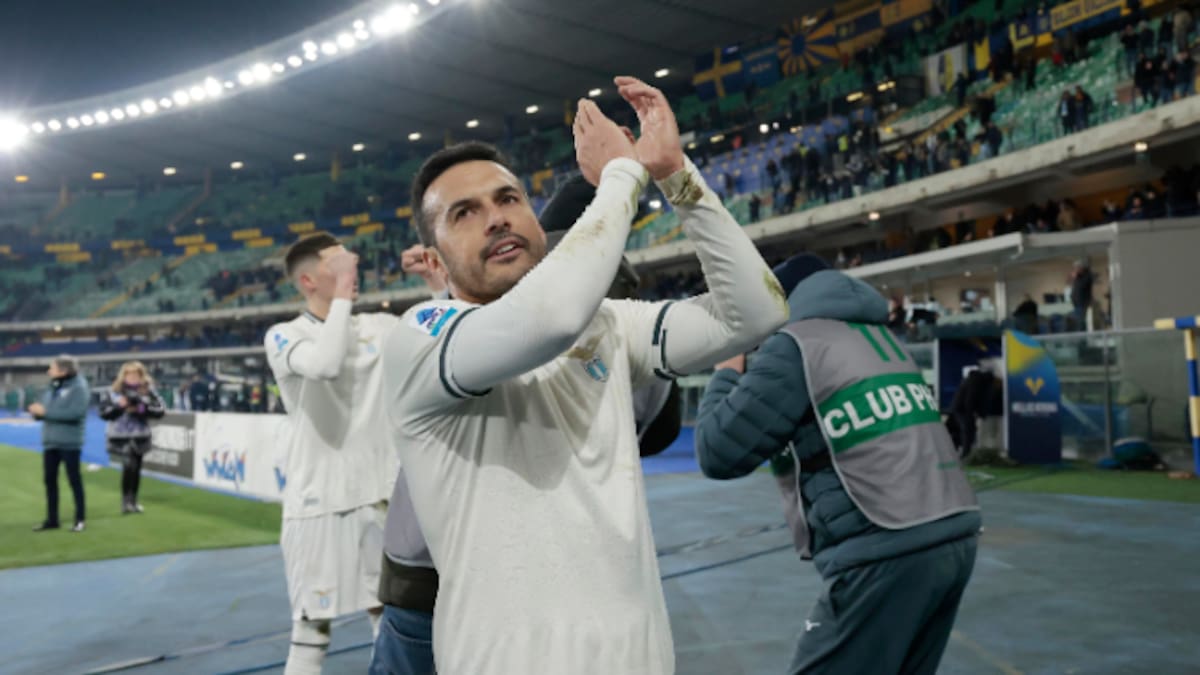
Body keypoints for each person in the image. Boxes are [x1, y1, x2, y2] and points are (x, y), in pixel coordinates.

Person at [379, 77, 787, 674]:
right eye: (465, 213)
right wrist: (622, 177)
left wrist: (676, 173)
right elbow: (548, 317)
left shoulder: (609, 324)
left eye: (509, 199)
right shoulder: (420, 336)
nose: (496, 218)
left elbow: (757, 312)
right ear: (435, 263)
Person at [370, 182, 683, 675]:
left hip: (423, 563)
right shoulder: (575, 298)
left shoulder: (511, 286)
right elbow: (662, 425)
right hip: (522, 577)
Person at [693, 254, 980, 675]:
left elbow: (718, 451)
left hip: (885, 547)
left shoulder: (797, 343)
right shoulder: (879, 337)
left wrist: (728, 366)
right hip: (953, 531)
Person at [263, 233, 403, 675]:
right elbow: (325, 365)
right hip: (319, 504)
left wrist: (439, 287)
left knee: (390, 620)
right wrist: (343, 294)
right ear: (308, 280)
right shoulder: (285, 335)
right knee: (312, 631)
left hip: (383, 498)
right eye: (336, 265)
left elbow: (438, 341)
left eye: (349, 262)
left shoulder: (377, 327)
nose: (350, 268)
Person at [29, 355, 90, 533]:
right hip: (51, 441)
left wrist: (45, 413)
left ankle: (80, 519)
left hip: (69, 442)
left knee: (74, 480)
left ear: (64, 370)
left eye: (52, 368)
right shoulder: (53, 386)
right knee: (49, 481)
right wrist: (36, 413)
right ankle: (52, 519)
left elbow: (75, 413)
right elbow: (48, 411)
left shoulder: (79, 387)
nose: (49, 371)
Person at [99, 360, 165, 514]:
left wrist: (141, 408)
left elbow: (160, 411)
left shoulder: (148, 391)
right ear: (123, 376)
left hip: (140, 435)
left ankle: (133, 501)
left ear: (142, 376)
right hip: (120, 436)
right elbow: (104, 413)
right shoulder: (113, 391)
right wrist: (120, 407)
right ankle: (126, 501)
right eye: (129, 374)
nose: (132, 377)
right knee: (129, 465)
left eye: (136, 374)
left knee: (136, 468)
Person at [1069, 258, 1095, 330]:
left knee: (1080, 323)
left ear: (1081, 268)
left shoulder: (1087, 276)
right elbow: (1075, 288)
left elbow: (1082, 287)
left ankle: (1082, 339)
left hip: (1083, 303)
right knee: (1076, 321)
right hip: (1077, 303)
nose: (1075, 270)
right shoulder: (1078, 277)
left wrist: (1076, 277)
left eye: (1077, 268)